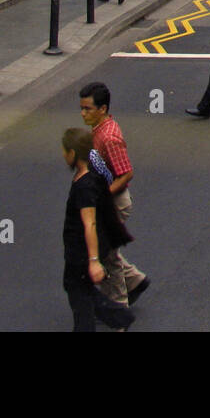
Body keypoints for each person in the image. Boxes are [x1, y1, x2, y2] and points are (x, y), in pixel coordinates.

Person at [78, 82, 150, 307]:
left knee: (105, 256)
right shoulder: (100, 128)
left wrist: (102, 196)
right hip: (105, 200)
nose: (83, 113)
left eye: (88, 109)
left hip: (114, 203)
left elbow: (126, 174)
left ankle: (119, 305)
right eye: (82, 108)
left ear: (102, 109)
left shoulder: (109, 138)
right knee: (104, 249)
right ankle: (135, 280)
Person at [60, 127, 135, 332]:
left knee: (78, 293)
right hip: (80, 249)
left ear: (73, 153)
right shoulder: (92, 173)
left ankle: (108, 321)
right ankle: (120, 316)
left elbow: (89, 223)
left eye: (65, 151)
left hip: (82, 251)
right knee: (78, 287)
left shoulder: (84, 186)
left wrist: (93, 261)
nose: (63, 155)